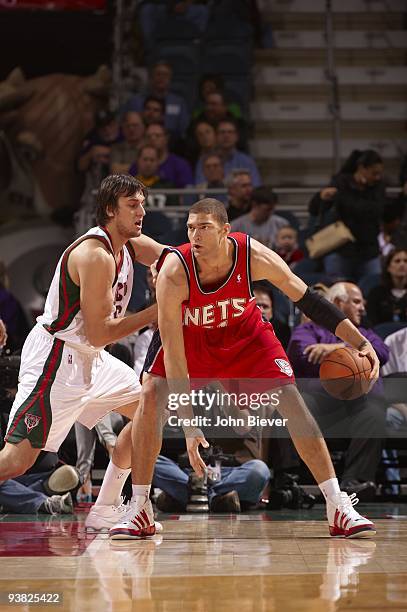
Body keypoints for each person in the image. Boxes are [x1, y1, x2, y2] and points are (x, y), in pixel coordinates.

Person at [110, 198, 379, 540]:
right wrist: (189, 425)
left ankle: (336, 504)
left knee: (291, 399)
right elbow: (174, 353)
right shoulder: (174, 271)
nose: (195, 235)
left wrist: (359, 342)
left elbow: (307, 298)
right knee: (149, 394)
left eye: (204, 227)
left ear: (225, 231)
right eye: (190, 228)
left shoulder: (252, 255)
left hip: (246, 335)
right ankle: (140, 508)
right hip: (194, 340)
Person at [0, 174, 165, 534]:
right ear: (109, 210)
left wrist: (204, 262)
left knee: (149, 411)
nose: (142, 213)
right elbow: (100, 331)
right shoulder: (95, 255)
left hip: (93, 358)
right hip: (58, 359)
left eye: (143, 204)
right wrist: (158, 309)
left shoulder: (130, 245)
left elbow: (171, 258)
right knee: (16, 461)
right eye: (132, 205)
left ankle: (106, 506)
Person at [287, 281, 389, 500]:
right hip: (321, 405)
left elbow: (380, 352)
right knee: (294, 406)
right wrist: (351, 361)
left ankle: (355, 482)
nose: (362, 307)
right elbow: (302, 355)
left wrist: (336, 350)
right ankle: (290, 481)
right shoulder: (307, 329)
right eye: (356, 301)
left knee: (375, 413)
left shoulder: (364, 334)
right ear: (337, 304)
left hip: (357, 406)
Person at [308, 149, 387, 280]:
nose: (377, 177)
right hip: (341, 248)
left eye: (379, 174)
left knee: (373, 286)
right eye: (374, 173)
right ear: (362, 168)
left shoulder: (379, 186)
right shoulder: (341, 182)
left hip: (369, 251)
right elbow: (314, 208)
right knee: (337, 290)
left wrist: (348, 196)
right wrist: (321, 197)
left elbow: (374, 210)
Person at [122, 61, 189, 138]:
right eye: (158, 74)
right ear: (151, 77)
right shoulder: (135, 101)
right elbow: (124, 124)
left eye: (165, 75)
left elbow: (184, 129)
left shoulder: (178, 102)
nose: (161, 78)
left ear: (170, 78)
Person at [195, 119, 261, 186]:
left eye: (230, 132)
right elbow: (200, 187)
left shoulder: (247, 161)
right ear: (216, 136)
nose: (226, 136)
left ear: (236, 136)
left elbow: (255, 186)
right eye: (222, 132)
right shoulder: (204, 160)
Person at [366, 248, 407, 325]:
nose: (402, 264)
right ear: (388, 267)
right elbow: (371, 322)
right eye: (397, 261)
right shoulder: (376, 293)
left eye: (406, 261)